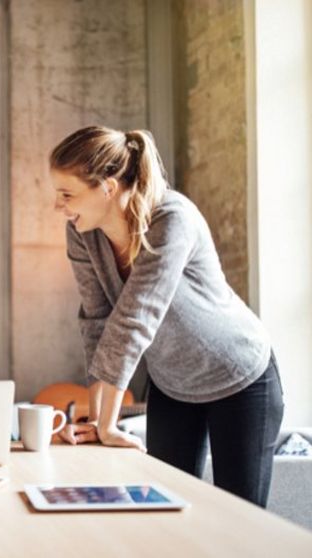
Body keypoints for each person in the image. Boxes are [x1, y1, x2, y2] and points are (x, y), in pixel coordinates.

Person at [50, 126, 283, 507]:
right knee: (162, 509)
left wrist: (108, 424)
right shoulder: (82, 233)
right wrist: (98, 420)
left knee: (241, 525)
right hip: (173, 384)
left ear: (107, 188)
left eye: (67, 194)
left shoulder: (172, 218)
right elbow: (97, 322)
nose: (58, 205)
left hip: (240, 377)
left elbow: (135, 319)